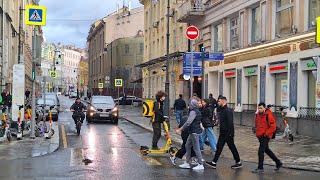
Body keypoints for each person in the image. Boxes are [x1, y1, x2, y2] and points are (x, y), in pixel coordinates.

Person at [206, 96, 242, 169]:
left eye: (219, 101)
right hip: (223, 132)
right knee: (219, 147)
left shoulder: (227, 111)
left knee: (232, 147)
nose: (217, 103)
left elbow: (230, 123)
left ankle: (238, 162)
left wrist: (231, 134)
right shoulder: (222, 110)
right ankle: (214, 162)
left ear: (223, 101)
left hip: (227, 133)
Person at [252, 103, 282, 173]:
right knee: (266, 150)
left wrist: (266, 133)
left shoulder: (268, 115)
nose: (260, 109)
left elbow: (273, 127)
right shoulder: (257, 115)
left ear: (264, 108)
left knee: (260, 151)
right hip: (260, 136)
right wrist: (255, 130)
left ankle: (260, 168)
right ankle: (278, 162)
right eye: (259, 108)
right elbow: (257, 124)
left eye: (261, 108)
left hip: (265, 136)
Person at [176, 98, 204, 170]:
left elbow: (188, 122)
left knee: (196, 148)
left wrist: (180, 129)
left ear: (192, 105)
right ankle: (187, 163)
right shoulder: (196, 111)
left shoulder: (193, 112)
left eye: (190, 104)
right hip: (193, 132)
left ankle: (200, 164)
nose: (189, 105)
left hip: (194, 132)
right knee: (187, 145)